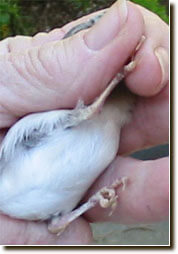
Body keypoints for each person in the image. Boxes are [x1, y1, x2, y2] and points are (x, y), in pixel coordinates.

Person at [0, 0, 169, 245]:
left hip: (27, 202)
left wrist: (94, 200)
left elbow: (88, 113)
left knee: (57, 223)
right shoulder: (101, 131)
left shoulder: (108, 138)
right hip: (24, 189)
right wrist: (119, 76)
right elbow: (87, 112)